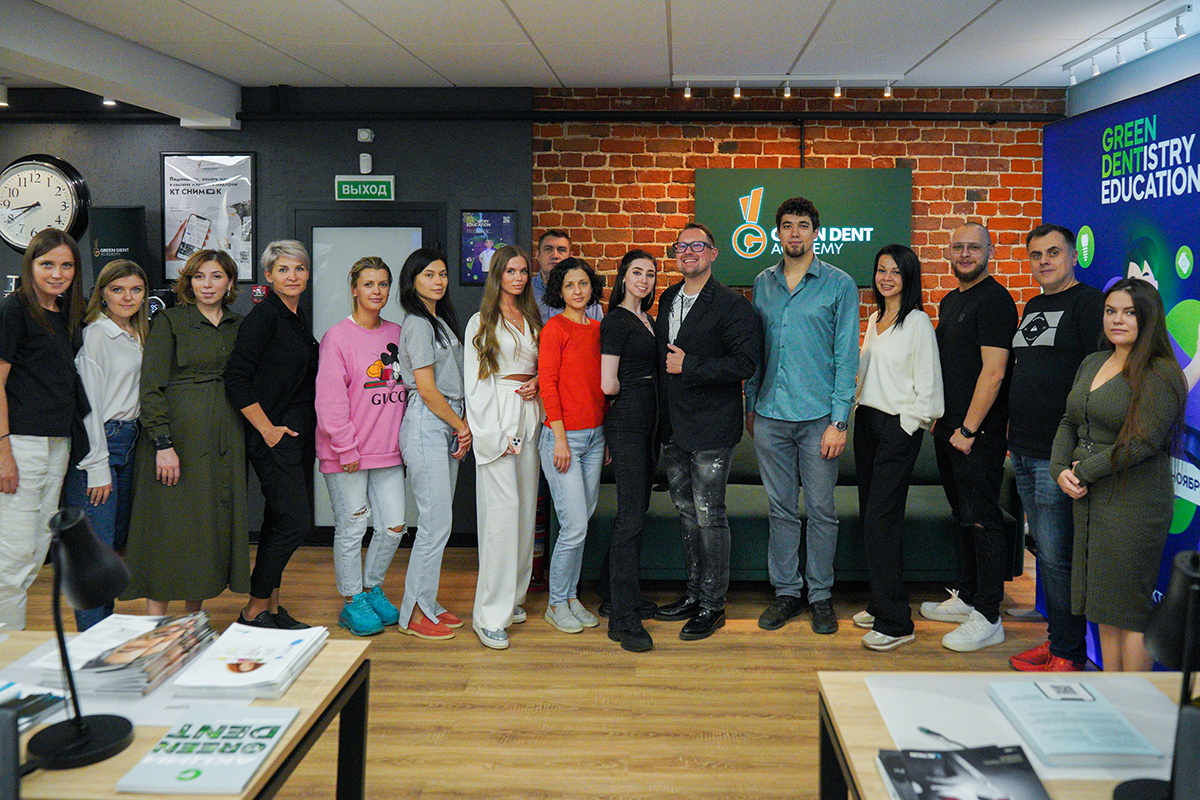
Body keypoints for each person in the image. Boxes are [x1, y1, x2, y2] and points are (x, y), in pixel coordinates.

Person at [1052, 278, 1186, 671]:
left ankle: (1135, 698)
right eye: (1111, 311)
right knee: (1103, 604)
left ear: (1148, 318)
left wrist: (1083, 471)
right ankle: (1111, 691)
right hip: (1091, 497)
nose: (1117, 320)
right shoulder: (1093, 361)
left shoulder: (1161, 372)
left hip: (1135, 501)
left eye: (1129, 312)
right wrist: (1059, 469)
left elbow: (1141, 442)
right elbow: (1069, 421)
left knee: (1129, 609)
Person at [744, 197, 859, 635]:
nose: (795, 232)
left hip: (818, 420)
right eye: (788, 225)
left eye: (803, 225)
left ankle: (821, 595)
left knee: (822, 510)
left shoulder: (839, 284)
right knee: (781, 510)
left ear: (816, 232)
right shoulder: (763, 282)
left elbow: (846, 358)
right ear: (777, 233)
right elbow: (756, 350)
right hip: (770, 416)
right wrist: (751, 404)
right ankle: (787, 593)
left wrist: (839, 421)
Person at [123, 249, 248, 614]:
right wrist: (163, 443)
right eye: (199, 277)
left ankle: (192, 622)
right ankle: (156, 624)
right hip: (176, 438)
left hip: (224, 438)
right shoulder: (170, 321)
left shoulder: (239, 325)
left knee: (206, 527)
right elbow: (151, 387)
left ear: (229, 282)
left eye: (216, 276)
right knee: (166, 526)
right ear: (189, 282)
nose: (207, 284)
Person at [653, 222, 759, 641]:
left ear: (713, 253)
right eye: (681, 247)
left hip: (712, 428)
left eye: (697, 245)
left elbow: (745, 363)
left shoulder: (732, 305)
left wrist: (690, 365)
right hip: (674, 426)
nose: (688, 252)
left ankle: (713, 605)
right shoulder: (667, 298)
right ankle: (693, 593)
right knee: (685, 512)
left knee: (709, 515)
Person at [1007, 225, 1104, 672]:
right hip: (1023, 448)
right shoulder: (1034, 305)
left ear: (1072, 256)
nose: (1044, 261)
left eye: (1053, 253)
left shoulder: (1088, 304)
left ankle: (1068, 652)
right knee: (1045, 554)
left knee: (1057, 556)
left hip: (1058, 454)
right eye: (1036, 255)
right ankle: (1057, 641)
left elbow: (1097, 378)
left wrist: (1077, 449)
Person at [921, 222, 1018, 652]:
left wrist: (968, 429)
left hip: (976, 434)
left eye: (973, 247)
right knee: (963, 513)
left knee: (982, 518)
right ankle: (969, 597)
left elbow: (994, 372)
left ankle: (989, 615)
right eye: (958, 247)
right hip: (949, 429)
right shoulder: (951, 300)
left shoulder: (995, 301)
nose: (964, 254)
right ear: (948, 251)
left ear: (989, 252)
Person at [852, 245, 943, 651]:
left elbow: (930, 390)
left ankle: (896, 622)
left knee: (881, 522)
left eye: (895, 271)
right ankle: (880, 602)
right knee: (871, 518)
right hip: (867, 424)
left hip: (896, 429)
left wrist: (907, 426)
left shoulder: (917, 322)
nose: (886, 278)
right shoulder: (875, 319)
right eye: (881, 270)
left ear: (909, 277)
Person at [224, 240, 318, 630]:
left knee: (279, 521)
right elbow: (236, 377)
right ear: (268, 275)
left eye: (299, 269)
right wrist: (266, 429)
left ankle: (272, 609)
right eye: (283, 269)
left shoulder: (296, 317)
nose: (292, 276)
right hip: (274, 438)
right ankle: (253, 609)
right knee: (295, 522)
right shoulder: (264, 318)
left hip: (298, 437)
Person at [315, 256, 408, 637]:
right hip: (347, 454)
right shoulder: (337, 337)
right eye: (368, 284)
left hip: (388, 452)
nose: (377, 291)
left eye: (383, 284)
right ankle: (353, 600)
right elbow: (330, 401)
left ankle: (371, 588)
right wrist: (347, 448)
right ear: (354, 289)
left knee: (394, 527)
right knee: (353, 528)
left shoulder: (398, 333)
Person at [0, 229, 85, 631]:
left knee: (35, 552)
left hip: (57, 443)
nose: (57, 273)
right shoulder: (14, 309)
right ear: (30, 265)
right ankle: (6, 653)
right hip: (21, 443)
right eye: (47, 264)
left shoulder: (65, 313)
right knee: (14, 557)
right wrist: (3, 451)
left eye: (66, 265)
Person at [64, 259, 149, 630]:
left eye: (135, 289)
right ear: (102, 294)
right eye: (117, 289)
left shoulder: (135, 333)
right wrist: (96, 465)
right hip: (101, 445)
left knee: (111, 549)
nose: (127, 297)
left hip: (129, 442)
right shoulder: (97, 335)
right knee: (93, 554)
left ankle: (103, 633)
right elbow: (88, 407)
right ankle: (90, 639)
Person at [465, 245, 543, 649]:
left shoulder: (531, 316)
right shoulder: (481, 321)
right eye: (511, 271)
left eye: (523, 271)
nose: (518, 277)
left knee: (525, 513)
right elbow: (475, 383)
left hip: (530, 417)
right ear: (497, 274)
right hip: (498, 419)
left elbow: (542, 366)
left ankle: (512, 598)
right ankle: (489, 616)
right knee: (500, 519)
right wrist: (493, 435)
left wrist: (539, 383)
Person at [396, 248, 472, 640]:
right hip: (429, 422)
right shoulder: (417, 324)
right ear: (412, 282)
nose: (438, 281)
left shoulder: (438, 320)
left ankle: (427, 601)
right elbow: (426, 389)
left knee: (440, 523)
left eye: (442, 274)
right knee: (433, 524)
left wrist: (459, 424)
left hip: (446, 421)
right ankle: (413, 613)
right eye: (429, 275)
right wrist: (461, 426)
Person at [538, 257, 608, 635]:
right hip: (563, 439)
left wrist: (605, 436)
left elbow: (601, 386)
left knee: (580, 524)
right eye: (569, 285)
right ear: (559, 291)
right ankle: (555, 604)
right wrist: (561, 440)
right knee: (574, 525)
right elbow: (547, 386)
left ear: (591, 287)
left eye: (583, 283)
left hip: (596, 437)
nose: (577, 291)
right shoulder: (554, 329)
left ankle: (570, 597)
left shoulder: (598, 329)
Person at [600, 249, 662, 652]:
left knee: (637, 512)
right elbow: (607, 383)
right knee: (630, 516)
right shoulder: (616, 320)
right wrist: (635, 390)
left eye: (650, 274)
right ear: (623, 277)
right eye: (637, 272)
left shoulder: (648, 320)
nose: (644, 279)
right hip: (627, 421)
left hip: (647, 423)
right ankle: (622, 619)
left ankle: (614, 594)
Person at [531, 229, 603, 325]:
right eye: (548, 249)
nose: (555, 255)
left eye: (561, 250)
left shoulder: (585, 294)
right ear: (537, 255)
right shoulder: (527, 289)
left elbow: (597, 330)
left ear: (570, 256)